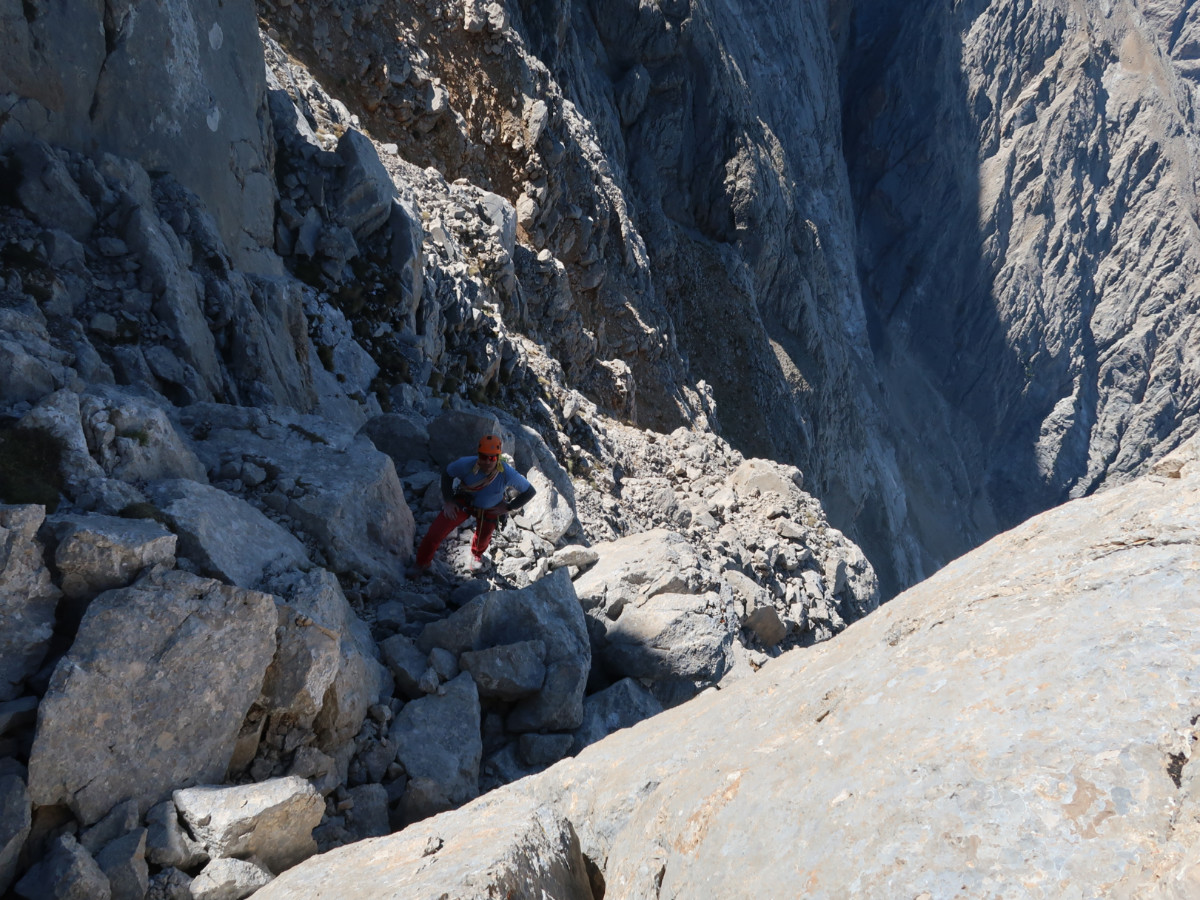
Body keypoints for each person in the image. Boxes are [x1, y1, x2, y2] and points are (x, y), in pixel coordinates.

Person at [414, 434, 536, 571]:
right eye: (484, 457)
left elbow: (530, 491)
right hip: (465, 502)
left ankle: (476, 554)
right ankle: (422, 563)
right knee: (436, 532)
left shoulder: (507, 473)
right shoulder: (465, 464)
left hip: (491, 508)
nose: (488, 462)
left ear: (498, 458)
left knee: (483, 538)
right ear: (478, 456)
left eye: (492, 458)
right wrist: (448, 501)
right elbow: (447, 474)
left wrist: (508, 507)